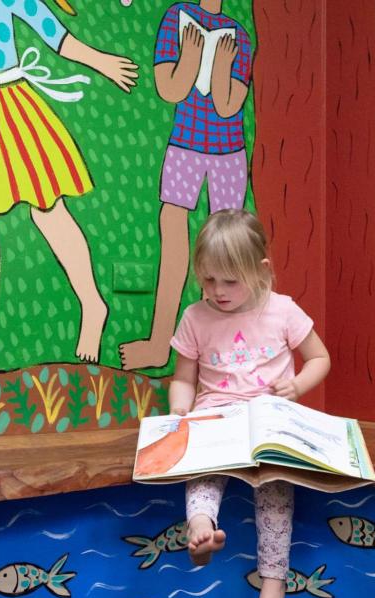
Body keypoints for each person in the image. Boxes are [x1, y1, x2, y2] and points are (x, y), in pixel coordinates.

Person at [167, 209, 330, 598]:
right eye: (207, 280)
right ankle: (201, 528)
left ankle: (273, 585)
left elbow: (320, 358)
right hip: (216, 417)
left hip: (269, 421)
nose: (217, 291)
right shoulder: (195, 317)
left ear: (260, 270)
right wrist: (180, 412)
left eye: (229, 280)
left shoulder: (282, 310)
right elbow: (183, 379)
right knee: (201, 471)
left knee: (275, 488)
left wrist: (296, 386)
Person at [0, 0, 138, 362]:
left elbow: (53, 32)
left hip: (8, 104)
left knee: (48, 206)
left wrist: (100, 60)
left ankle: (92, 303)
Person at [119, 0, 253, 370]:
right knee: (174, 242)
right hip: (185, 145)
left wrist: (223, 67)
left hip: (228, 153)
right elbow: (170, 89)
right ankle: (160, 343)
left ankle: (215, 351)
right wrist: (191, 57)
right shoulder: (176, 18)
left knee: (225, 249)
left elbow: (229, 106)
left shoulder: (238, 35)